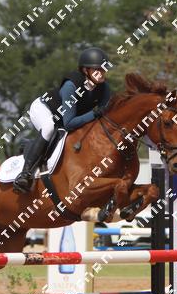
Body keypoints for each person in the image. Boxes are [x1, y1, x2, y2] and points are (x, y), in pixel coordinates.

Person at [13, 47, 112, 193]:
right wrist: (94, 114)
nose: (102, 72)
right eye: (98, 69)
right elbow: (69, 123)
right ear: (86, 70)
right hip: (45, 109)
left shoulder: (104, 88)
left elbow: (104, 114)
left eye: (104, 69)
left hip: (68, 117)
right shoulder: (71, 86)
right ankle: (25, 174)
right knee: (49, 127)